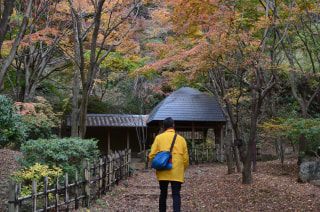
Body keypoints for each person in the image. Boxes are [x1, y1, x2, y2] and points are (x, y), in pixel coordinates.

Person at [149, 117, 189, 212]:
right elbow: (186, 158)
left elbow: (152, 155)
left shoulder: (159, 138)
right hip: (177, 171)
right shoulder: (181, 139)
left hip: (163, 170)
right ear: (173, 126)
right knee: (176, 195)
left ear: (163, 127)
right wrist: (181, 168)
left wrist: (157, 166)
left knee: (163, 194)